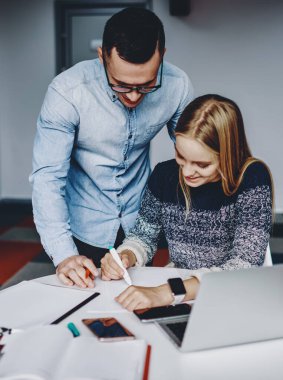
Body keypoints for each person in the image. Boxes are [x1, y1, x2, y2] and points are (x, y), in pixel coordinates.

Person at [29, 7, 194, 288]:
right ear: (102, 56)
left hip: (139, 226)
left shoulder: (177, 87)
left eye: (146, 86)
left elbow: (196, 154)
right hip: (82, 225)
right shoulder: (67, 92)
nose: (132, 96)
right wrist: (64, 255)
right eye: (120, 85)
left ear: (162, 56)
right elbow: (48, 178)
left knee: (138, 309)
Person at [101, 94, 273, 311]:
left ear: (228, 154)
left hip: (230, 294)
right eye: (181, 157)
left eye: (201, 164)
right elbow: (143, 236)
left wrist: (166, 292)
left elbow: (243, 265)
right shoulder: (165, 174)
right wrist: (126, 256)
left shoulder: (252, 178)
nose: (188, 172)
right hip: (179, 288)